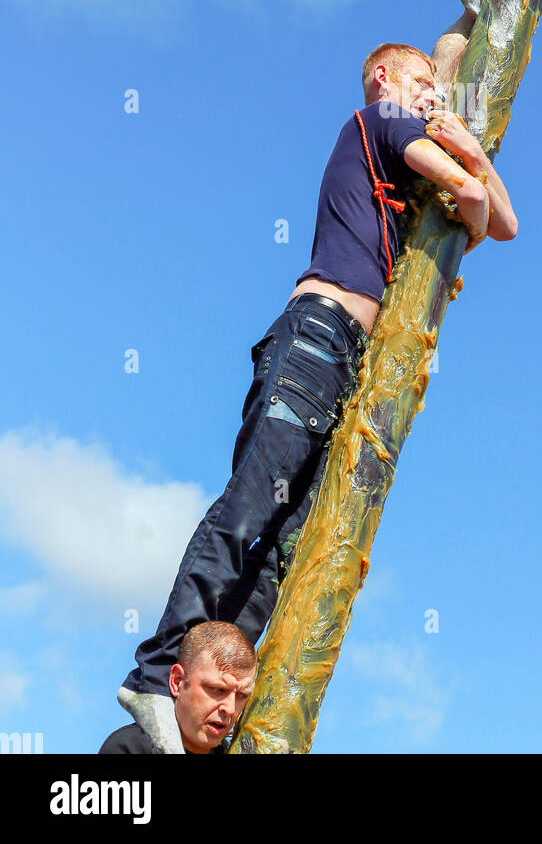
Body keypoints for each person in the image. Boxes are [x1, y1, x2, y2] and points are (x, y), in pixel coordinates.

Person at [118, 43, 517, 751]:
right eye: (423, 82)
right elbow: (475, 200)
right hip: (316, 338)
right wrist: (463, 155)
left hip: (343, 361)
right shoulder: (382, 117)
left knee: (282, 550)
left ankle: (209, 713)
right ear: (385, 78)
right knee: (248, 511)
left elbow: (504, 223)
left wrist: (468, 163)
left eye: (437, 86)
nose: (432, 94)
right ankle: (154, 676)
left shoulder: (407, 143)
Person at [100, 622, 255, 754]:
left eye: (241, 695)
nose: (229, 708)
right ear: (177, 681)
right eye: (217, 689)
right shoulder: (131, 748)